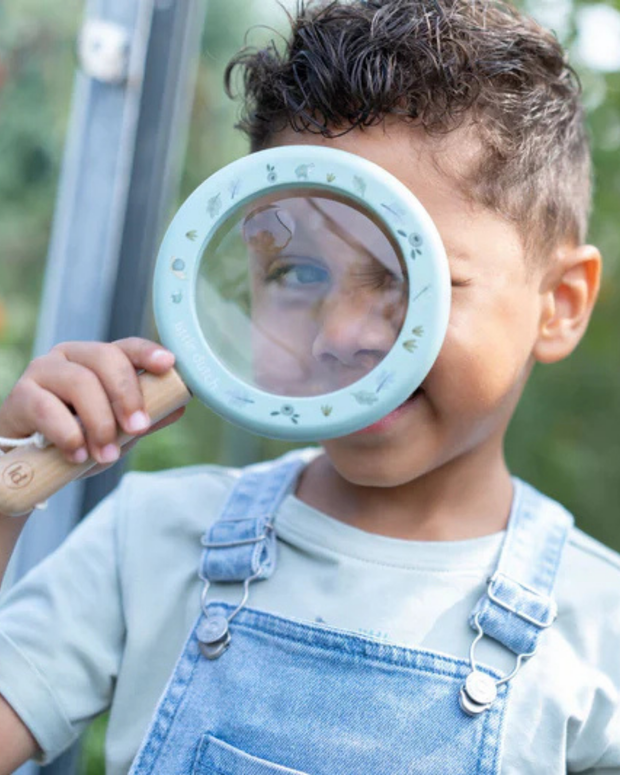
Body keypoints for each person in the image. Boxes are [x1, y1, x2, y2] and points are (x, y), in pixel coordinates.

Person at [0, 0, 618, 772]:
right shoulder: (151, 538)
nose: (339, 333)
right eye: (296, 271)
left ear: (558, 305)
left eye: (408, 276)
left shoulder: (602, 627)